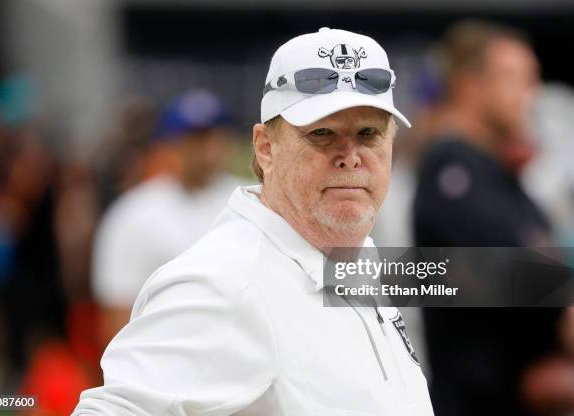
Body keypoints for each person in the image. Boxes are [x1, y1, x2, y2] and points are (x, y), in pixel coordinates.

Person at [73, 28, 434, 415]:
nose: (350, 155)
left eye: (369, 133)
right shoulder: (225, 284)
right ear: (266, 149)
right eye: (322, 134)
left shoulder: (353, 255)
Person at [412, 20, 564, 416]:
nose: (530, 95)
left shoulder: (504, 175)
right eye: (516, 79)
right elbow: (509, 272)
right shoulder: (450, 169)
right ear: (470, 85)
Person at [91, 89, 244, 347]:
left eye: (216, 134)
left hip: (242, 348)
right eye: (196, 138)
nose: (209, 147)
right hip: (168, 356)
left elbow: (332, 284)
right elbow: (117, 307)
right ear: (171, 144)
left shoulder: (252, 198)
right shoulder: (134, 212)